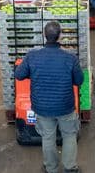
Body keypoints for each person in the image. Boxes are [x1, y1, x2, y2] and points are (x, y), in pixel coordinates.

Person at [13, 22, 85, 173]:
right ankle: (70, 168)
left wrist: (33, 74)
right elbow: (79, 81)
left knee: (47, 137)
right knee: (69, 135)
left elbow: (19, 74)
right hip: (65, 106)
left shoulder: (32, 56)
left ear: (44, 35)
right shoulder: (70, 58)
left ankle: (51, 168)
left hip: (42, 107)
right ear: (60, 37)